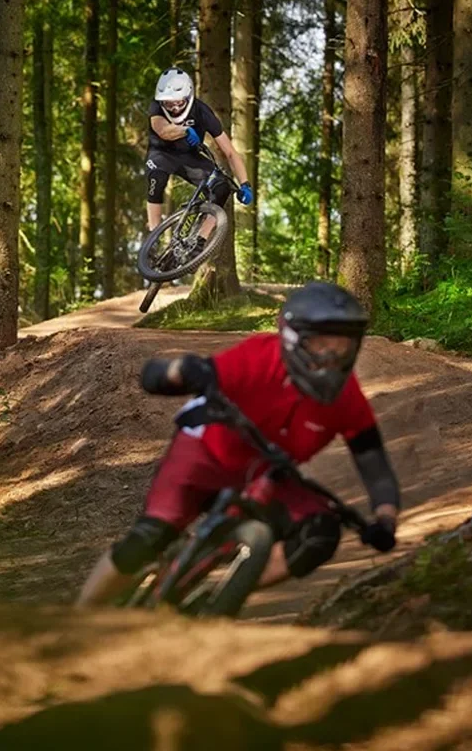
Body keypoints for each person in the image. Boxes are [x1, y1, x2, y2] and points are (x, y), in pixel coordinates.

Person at [77, 281, 401, 608]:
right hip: (205, 454)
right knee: (148, 538)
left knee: (319, 533)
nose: (332, 357)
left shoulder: (347, 399)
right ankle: (78, 618)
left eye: (342, 346)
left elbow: (373, 462)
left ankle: (220, 595)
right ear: (293, 340)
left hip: (266, 473)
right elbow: (166, 376)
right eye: (321, 344)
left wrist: (385, 519)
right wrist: (179, 371)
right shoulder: (260, 357)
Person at [145, 67, 253, 250]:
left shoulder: (203, 112)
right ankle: (153, 239)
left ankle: (200, 240)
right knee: (156, 177)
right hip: (162, 153)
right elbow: (162, 130)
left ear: (188, 97)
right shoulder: (156, 107)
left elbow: (230, 152)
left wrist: (245, 183)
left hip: (190, 156)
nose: (175, 108)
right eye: (169, 104)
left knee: (222, 186)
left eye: (178, 103)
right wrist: (184, 130)